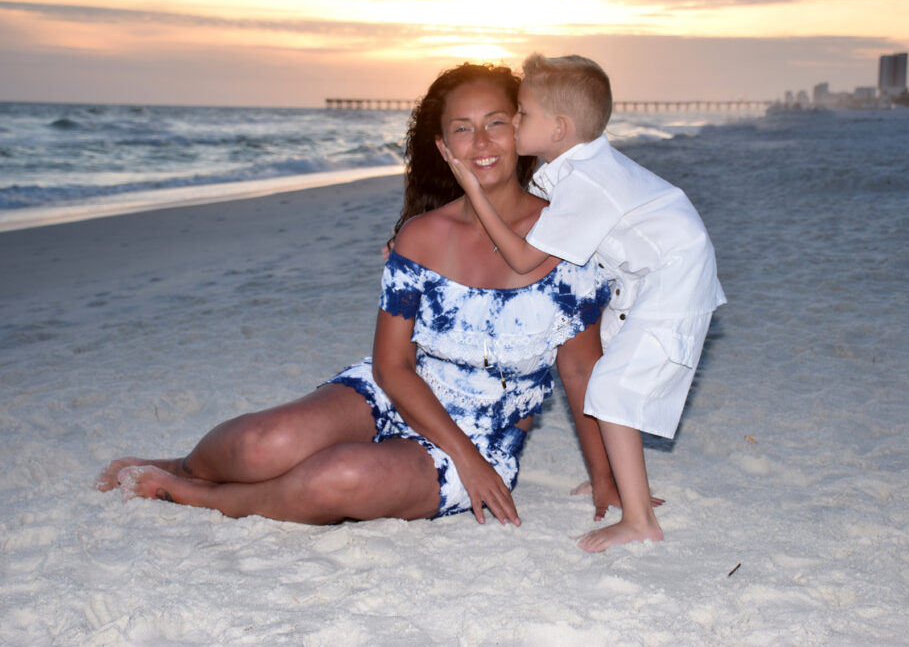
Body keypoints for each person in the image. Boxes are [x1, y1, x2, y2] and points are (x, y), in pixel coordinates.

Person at [95, 63, 617, 528]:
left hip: (483, 440)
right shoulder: (420, 237)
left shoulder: (562, 236)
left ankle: (208, 497)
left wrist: (605, 480)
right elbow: (393, 367)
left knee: (337, 476)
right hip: (397, 392)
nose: (480, 142)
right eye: (462, 128)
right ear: (444, 146)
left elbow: (579, 371)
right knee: (261, 446)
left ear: (522, 128)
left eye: (495, 122)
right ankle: (184, 467)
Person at [441, 54, 726, 552]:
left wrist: (471, 186)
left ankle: (639, 520)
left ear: (558, 128)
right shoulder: (575, 166)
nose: (515, 120)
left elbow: (524, 258)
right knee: (604, 378)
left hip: (673, 278)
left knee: (614, 390)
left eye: (522, 114)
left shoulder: (586, 182)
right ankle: (616, 484)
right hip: (641, 278)